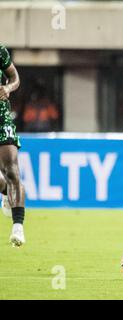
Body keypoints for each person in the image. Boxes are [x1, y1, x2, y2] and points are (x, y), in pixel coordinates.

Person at [0, 45, 26, 247]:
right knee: (4, 181)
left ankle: (18, 227)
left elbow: (15, 78)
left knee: (12, 171)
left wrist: (8, 88)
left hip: (1, 117)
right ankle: (5, 192)